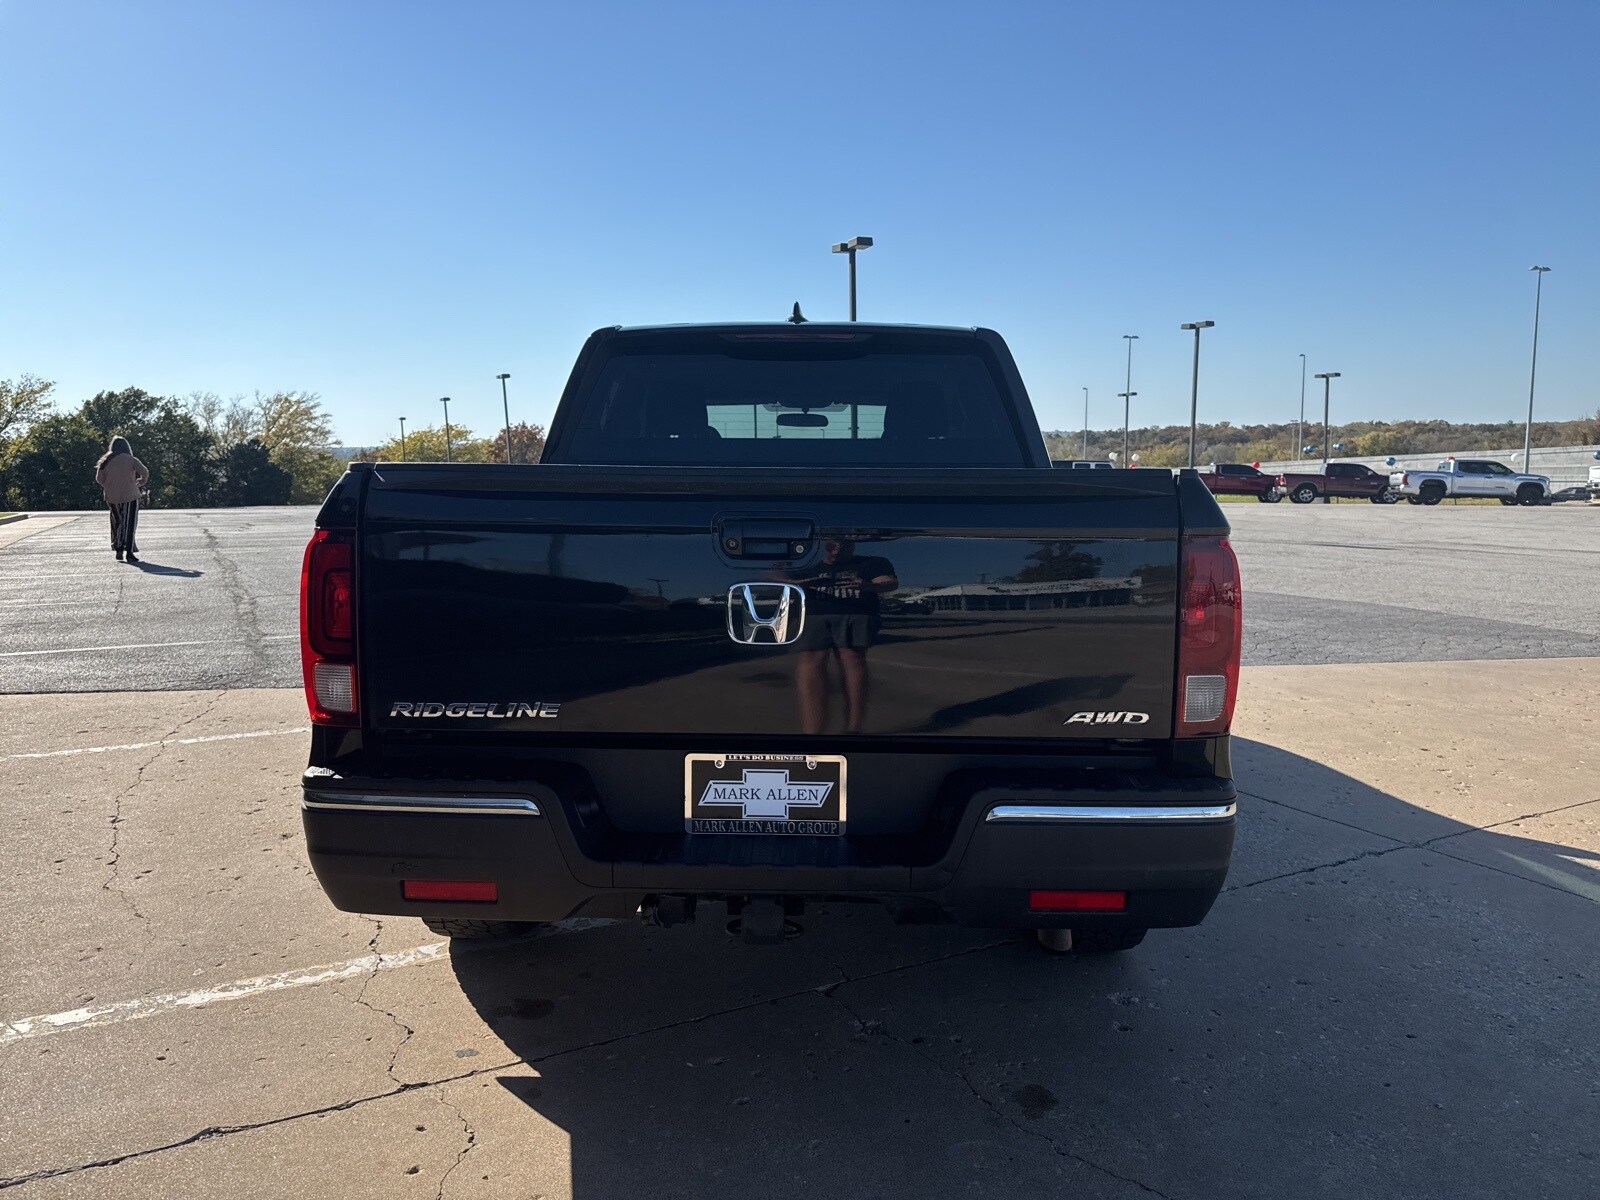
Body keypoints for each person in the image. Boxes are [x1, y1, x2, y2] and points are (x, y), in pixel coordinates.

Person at [788, 540, 898, 734]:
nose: (837, 549)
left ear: (852, 544)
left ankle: (854, 728)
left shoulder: (870, 563)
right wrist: (799, 583)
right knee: (811, 660)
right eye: (833, 544)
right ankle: (812, 730)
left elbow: (890, 582)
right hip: (813, 614)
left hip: (855, 611)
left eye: (843, 544)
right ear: (823, 544)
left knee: (852, 658)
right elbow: (776, 576)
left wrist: (866, 586)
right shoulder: (806, 565)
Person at [94, 436, 149, 564]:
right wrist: (140, 481)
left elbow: (99, 479)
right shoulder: (131, 460)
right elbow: (144, 472)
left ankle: (118, 548)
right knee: (129, 524)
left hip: (112, 497)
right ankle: (129, 552)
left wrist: (109, 485)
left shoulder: (105, 461)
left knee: (118, 522)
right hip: (130, 495)